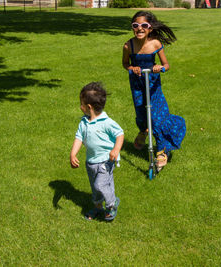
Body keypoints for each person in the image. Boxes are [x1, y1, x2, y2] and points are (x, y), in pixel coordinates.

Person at [122, 11, 186, 171]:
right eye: (135, 26)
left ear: (150, 28)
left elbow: (166, 65)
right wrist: (132, 67)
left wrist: (160, 68)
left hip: (153, 82)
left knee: (157, 116)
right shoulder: (128, 45)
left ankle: (162, 150)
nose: (140, 29)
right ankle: (143, 131)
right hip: (136, 82)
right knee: (141, 111)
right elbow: (125, 63)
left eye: (144, 26)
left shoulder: (155, 44)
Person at [70, 82, 124, 221]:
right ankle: (98, 207)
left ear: (88, 107)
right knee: (96, 188)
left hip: (106, 161)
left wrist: (116, 149)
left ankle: (112, 205)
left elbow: (120, 133)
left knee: (100, 184)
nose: (79, 106)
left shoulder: (106, 122)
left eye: (81, 103)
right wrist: (73, 154)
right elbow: (79, 137)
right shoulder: (84, 122)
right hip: (91, 162)